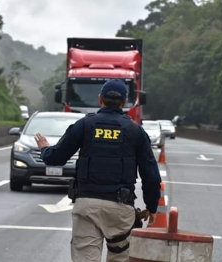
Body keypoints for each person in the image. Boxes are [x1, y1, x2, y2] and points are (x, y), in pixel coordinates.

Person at [34, 79, 161, 262]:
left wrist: (45, 148)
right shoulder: (135, 131)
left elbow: (56, 158)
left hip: (87, 206)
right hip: (121, 209)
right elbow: (151, 176)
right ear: (124, 103)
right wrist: (151, 207)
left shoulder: (84, 125)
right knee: (121, 256)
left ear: (100, 99)